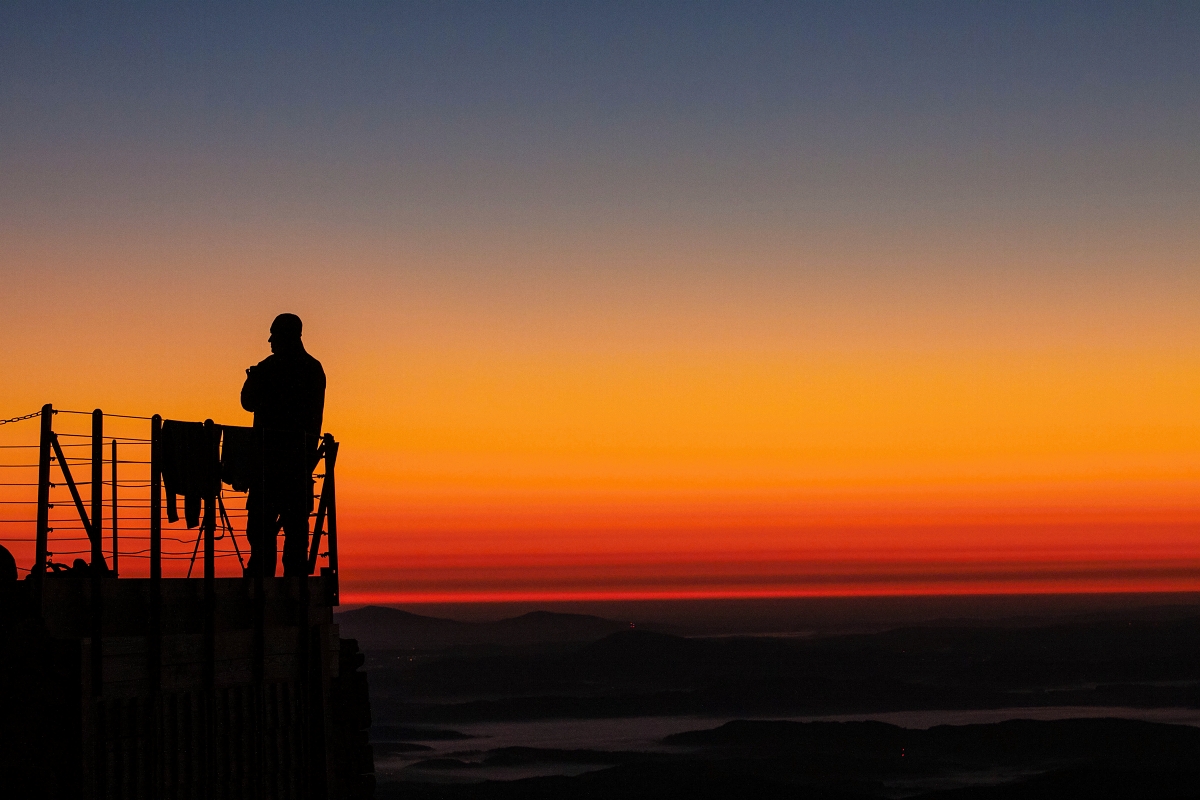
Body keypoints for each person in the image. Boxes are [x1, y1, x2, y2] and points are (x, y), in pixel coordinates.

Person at [240, 313, 326, 577]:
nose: (269, 340)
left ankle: (262, 584)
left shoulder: (268, 368)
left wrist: (253, 377)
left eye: (273, 334)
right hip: (299, 465)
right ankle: (295, 588)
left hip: (268, 465)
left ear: (284, 336)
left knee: (261, 530)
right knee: (296, 533)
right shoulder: (313, 369)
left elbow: (247, 402)